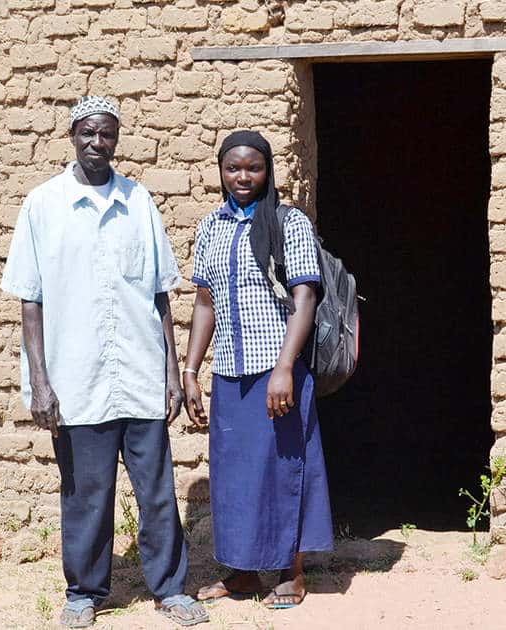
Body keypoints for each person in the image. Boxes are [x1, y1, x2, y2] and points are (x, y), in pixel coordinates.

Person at [0, 95, 208, 628]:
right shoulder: (42, 205)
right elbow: (30, 301)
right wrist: (39, 383)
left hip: (139, 375)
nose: (98, 143)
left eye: (108, 134)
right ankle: (85, 592)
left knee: (158, 493)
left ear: (117, 139)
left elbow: (161, 295)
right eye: (89, 133)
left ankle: (171, 590)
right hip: (76, 381)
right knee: (86, 495)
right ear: (73, 136)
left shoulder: (139, 202)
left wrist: (170, 373)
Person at [182, 130, 334, 609]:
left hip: (277, 370)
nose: (242, 177)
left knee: (284, 468)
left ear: (268, 171)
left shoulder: (288, 223)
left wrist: (285, 367)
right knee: (235, 475)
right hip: (230, 372)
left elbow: (304, 298)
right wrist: (190, 370)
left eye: (253, 167)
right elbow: (204, 303)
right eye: (233, 168)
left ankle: (290, 573)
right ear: (221, 172)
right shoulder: (211, 226)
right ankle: (243, 572)